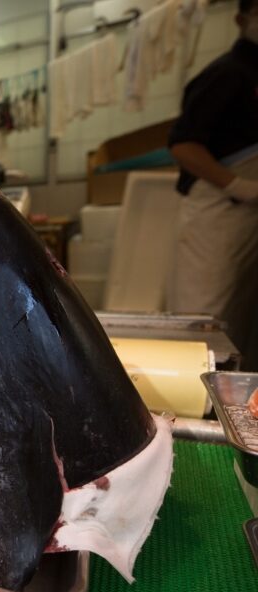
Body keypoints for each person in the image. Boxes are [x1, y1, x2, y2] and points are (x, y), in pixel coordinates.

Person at [168, 0, 258, 367]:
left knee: (238, 318)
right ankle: (197, 403)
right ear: (241, 19)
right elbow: (183, 144)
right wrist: (241, 186)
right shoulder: (228, 73)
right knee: (206, 316)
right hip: (218, 212)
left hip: (245, 220)